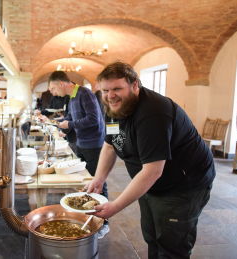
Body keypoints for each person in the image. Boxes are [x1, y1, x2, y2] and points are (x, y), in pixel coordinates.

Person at [84, 61, 215, 258]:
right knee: (152, 236)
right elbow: (111, 144)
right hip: (150, 182)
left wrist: (115, 206)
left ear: (135, 85)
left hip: (183, 185)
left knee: (172, 246)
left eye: (117, 88)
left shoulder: (153, 112)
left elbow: (153, 171)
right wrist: (98, 178)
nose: (110, 96)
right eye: (105, 90)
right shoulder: (113, 107)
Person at [39, 71, 109, 238]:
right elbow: (70, 118)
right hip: (81, 143)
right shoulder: (71, 98)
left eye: (53, 88)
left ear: (61, 83)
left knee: (98, 182)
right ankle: (88, 216)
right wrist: (54, 122)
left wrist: (68, 123)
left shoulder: (85, 93)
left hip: (94, 144)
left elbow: (93, 119)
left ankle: (104, 223)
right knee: (86, 181)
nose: (53, 92)